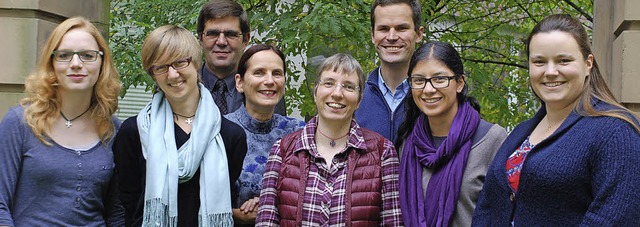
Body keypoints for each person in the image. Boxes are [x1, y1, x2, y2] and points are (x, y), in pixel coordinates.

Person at [472, 14, 640, 226]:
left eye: (564, 61)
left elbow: (615, 219)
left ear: (588, 64)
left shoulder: (616, 132)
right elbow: (488, 205)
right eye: (539, 62)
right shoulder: (521, 131)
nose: (550, 72)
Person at [112, 25, 247, 226]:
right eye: (161, 67)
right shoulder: (134, 132)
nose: (172, 74)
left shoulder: (230, 135)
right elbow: (127, 204)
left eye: (180, 63)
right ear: (153, 73)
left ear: (196, 63)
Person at [0, 17, 123, 226]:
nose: (76, 64)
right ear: (52, 63)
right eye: (64, 55)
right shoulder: (20, 123)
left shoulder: (114, 131)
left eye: (87, 56)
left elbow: (117, 214)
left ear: (102, 63)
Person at [255, 53, 403, 226]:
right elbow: (266, 222)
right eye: (329, 83)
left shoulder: (382, 152)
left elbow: (392, 222)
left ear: (359, 100)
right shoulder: (282, 150)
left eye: (348, 87)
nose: (337, 93)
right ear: (316, 92)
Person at [395, 41, 507, 227]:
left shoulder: (493, 140)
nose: (428, 89)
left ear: (459, 83)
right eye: (419, 80)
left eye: (439, 79)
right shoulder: (408, 144)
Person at [225, 44, 305, 225]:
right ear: (239, 82)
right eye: (259, 72)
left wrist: (269, 203)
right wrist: (236, 214)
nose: (269, 81)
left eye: (276, 73)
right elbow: (196, 199)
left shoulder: (301, 133)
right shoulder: (220, 130)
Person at [197, 0, 285, 115]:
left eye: (231, 34)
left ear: (245, 40)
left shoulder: (265, 88)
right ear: (200, 39)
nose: (221, 42)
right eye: (213, 34)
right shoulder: (184, 87)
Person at [355, 0, 424, 142]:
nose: (392, 37)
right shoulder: (354, 98)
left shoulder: (434, 97)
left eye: (401, 28)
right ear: (373, 35)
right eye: (384, 29)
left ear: (418, 34)